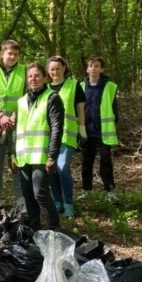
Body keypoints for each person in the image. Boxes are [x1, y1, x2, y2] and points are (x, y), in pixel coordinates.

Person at [14, 62, 63, 231]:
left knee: (40, 193)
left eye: (37, 76)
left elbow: (57, 128)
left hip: (42, 156)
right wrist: (12, 156)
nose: (33, 79)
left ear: (44, 77)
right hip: (23, 155)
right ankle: (35, 228)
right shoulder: (21, 102)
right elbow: (17, 129)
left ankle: (54, 227)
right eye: (30, 76)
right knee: (28, 195)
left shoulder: (52, 98)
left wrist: (52, 156)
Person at [47, 55, 86, 218]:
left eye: (58, 68)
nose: (55, 71)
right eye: (52, 69)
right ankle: (57, 202)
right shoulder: (46, 88)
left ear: (64, 68)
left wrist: (82, 128)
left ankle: (69, 203)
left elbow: (80, 108)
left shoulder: (73, 85)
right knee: (52, 169)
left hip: (68, 134)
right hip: (49, 136)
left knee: (62, 168)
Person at [0, 39, 26, 205]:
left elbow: (28, 95)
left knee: (17, 162)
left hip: (18, 122)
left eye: (16, 54)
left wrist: (17, 114)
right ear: (2, 53)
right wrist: (1, 115)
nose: (12, 57)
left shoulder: (24, 71)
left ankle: (21, 199)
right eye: (9, 53)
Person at [81, 55, 118, 197]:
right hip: (86, 131)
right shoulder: (81, 86)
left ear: (102, 69)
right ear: (87, 69)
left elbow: (115, 111)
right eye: (91, 66)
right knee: (86, 162)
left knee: (106, 161)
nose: (93, 69)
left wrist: (111, 125)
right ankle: (86, 190)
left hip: (104, 132)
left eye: (97, 66)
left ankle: (109, 189)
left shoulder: (110, 86)